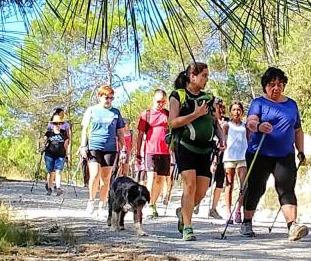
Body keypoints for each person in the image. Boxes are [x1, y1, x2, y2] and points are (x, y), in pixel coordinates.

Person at [241, 67, 309, 241]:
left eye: (280, 84)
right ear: (265, 86)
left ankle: (292, 226)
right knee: (256, 188)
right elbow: (250, 122)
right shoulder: (259, 103)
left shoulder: (291, 105)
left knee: (286, 188)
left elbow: (298, 130)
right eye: (272, 84)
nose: (276, 88)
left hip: (284, 154)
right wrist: (259, 126)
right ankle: (247, 221)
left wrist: (300, 151)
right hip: (260, 152)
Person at [168, 62, 223, 241]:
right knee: (189, 185)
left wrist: (222, 138)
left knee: (201, 190)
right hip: (185, 146)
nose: (206, 79)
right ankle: (188, 227)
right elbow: (173, 122)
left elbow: (215, 123)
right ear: (192, 76)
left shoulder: (209, 97)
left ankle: (183, 212)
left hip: (205, 149)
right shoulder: (178, 96)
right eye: (204, 75)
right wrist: (195, 114)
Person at [79, 85, 127, 219]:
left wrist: (123, 148)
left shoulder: (116, 112)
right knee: (94, 174)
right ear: (100, 96)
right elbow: (84, 129)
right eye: (107, 97)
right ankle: (91, 201)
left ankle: (102, 204)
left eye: (112, 98)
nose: (109, 100)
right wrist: (83, 146)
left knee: (106, 178)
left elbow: (120, 132)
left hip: (110, 148)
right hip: (94, 146)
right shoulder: (92, 110)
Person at [135, 89, 171, 217]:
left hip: (165, 152)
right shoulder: (147, 114)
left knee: (160, 180)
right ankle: (148, 204)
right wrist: (137, 152)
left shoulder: (168, 114)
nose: (160, 104)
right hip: (151, 151)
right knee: (151, 178)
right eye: (158, 101)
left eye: (163, 102)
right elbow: (140, 134)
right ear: (153, 99)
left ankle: (154, 203)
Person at [222, 101, 248, 223]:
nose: (236, 112)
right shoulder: (227, 125)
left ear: (242, 112)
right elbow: (222, 140)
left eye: (239, 110)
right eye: (234, 110)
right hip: (229, 157)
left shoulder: (245, 126)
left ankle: (238, 210)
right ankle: (228, 211)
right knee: (229, 185)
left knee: (243, 185)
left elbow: (249, 139)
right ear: (230, 112)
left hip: (242, 157)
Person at [208, 98, 228, 219]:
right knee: (207, 181)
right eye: (216, 105)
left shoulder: (226, 122)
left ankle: (213, 208)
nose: (219, 108)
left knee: (220, 182)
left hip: (224, 154)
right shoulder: (208, 119)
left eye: (220, 106)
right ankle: (196, 203)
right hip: (210, 153)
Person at [43, 113, 69, 196]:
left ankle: (58, 188)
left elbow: (66, 145)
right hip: (49, 155)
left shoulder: (64, 133)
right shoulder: (49, 133)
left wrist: (67, 155)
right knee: (51, 172)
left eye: (59, 123)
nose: (58, 125)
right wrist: (43, 145)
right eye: (55, 123)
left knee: (58, 171)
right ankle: (49, 188)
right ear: (52, 124)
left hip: (60, 155)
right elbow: (44, 142)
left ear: (61, 124)